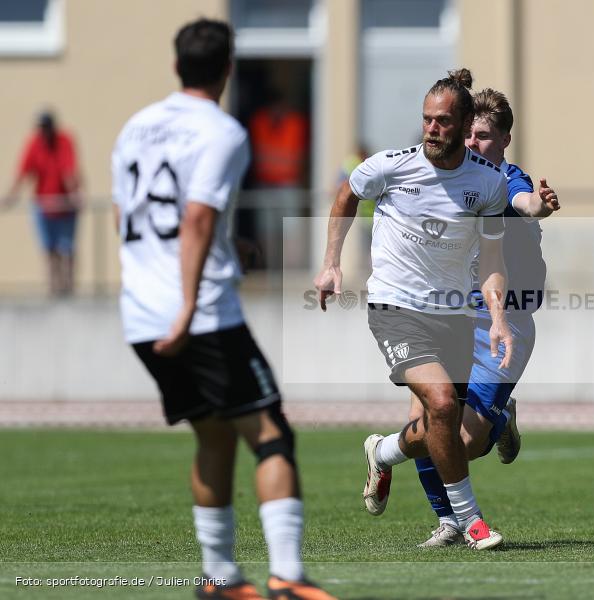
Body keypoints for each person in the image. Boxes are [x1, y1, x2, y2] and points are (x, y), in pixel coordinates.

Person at [111, 19, 334, 600]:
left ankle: (220, 580)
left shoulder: (134, 127)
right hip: (201, 313)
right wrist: (186, 307)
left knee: (212, 436)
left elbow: (127, 217)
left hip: (139, 312)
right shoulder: (222, 131)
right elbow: (196, 218)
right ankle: (286, 576)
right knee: (270, 433)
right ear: (229, 68)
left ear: (175, 64)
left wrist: (160, 290)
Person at [314, 68, 513, 550]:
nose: (432, 129)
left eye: (443, 121)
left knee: (453, 430)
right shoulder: (390, 165)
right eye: (427, 120)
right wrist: (331, 264)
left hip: (454, 315)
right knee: (442, 403)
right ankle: (469, 522)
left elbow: (491, 260)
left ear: (465, 124)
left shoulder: (487, 185)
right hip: (394, 308)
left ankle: (382, 451)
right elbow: (346, 194)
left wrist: (500, 318)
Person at [399, 88, 560, 547]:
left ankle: (492, 422)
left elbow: (526, 202)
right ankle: (449, 522)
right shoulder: (446, 179)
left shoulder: (507, 178)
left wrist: (541, 205)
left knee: (464, 442)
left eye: (485, 135)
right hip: (446, 313)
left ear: (506, 139)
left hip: (502, 320)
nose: (473, 143)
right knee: (430, 415)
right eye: (468, 133)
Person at [3, 111, 82, 296]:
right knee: (50, 249)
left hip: (64, 206)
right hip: (44, 206)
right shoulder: (35, 143)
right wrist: (8, 199)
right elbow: (22, 174)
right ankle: (54, 289)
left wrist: (74, 195)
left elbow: (68, 171)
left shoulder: (64, 141)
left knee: (67, 248)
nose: (44, 133)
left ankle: (68, 288)